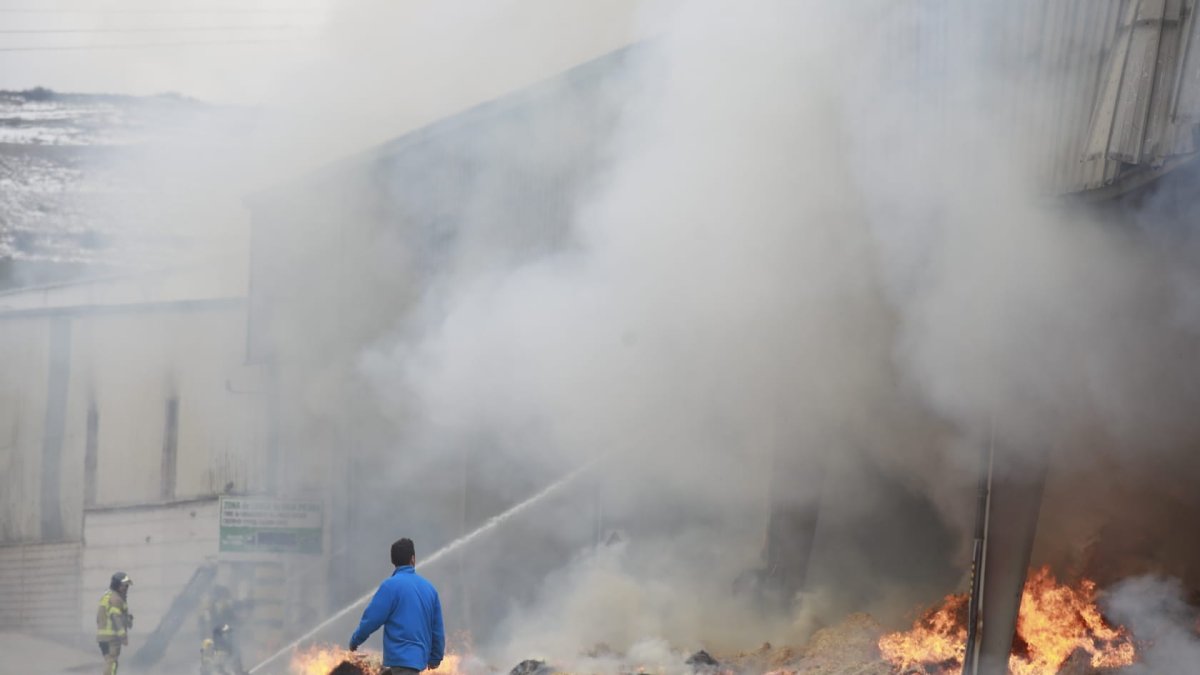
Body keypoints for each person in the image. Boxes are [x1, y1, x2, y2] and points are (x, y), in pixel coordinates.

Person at [349, 538, 445, 674]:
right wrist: (435, 658)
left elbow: (371, 619)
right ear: (413, 559)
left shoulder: (389, 586)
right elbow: (437, 630)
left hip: (399, 663)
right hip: (415, 662)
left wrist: (355, 640)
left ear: (393, 561)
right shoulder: (430, 589)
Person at [96, 572, 133, 675]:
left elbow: (100, 617)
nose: (126, 588)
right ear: (116, 585)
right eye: (124, 585)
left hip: (102, 637)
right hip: (112, 637)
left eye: (127, 586)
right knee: (112, 662)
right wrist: (123, 636)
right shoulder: (116, 599)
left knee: (110, 661)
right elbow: (116, 617)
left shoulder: (107, 596)